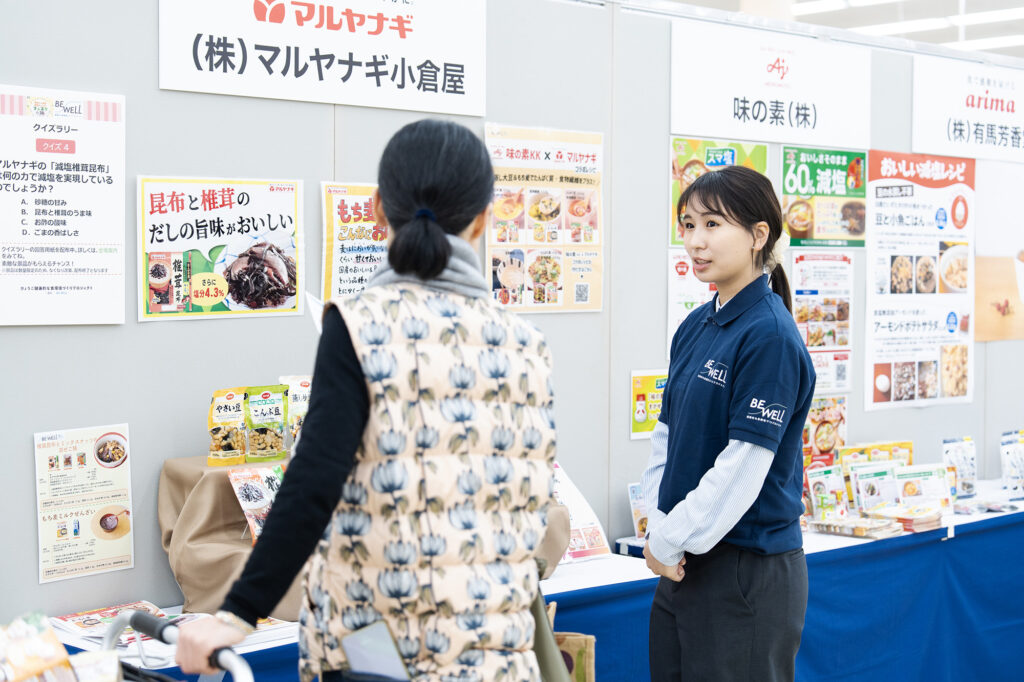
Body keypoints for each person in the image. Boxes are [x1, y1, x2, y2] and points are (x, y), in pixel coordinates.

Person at [175, 120, 560, 682]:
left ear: (378, 209)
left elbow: (314, 479)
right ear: (483, 218)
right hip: (495, 651)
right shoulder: (527, 343)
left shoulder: (359, 325)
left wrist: (237, 612)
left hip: (377, 653)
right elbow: (533, 497)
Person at [642, 166, 815, 681]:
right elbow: (666, 438)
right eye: (689, 225)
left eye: (712, 225)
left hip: (745, 571)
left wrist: (668, 540)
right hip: (682, 561)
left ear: (759, 235)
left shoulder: (771, 336)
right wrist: (658, 527)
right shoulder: (696, 324)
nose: (696, 241)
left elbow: (742, 468)